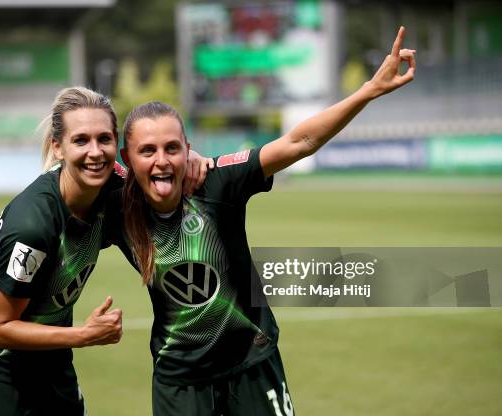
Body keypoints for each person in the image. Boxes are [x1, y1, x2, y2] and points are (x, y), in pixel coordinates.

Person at [110, 26, 416, 415]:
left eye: (172, 148)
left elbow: (298, 143)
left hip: (251, 367)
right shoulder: (117, 209)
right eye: (147, 150)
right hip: (180, 383)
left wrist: (369, 89)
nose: (161, 160)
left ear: (187, 149)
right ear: (127, 157)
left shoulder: (218, 182)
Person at [0, 86, 211, 416]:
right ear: (57, 147)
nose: (95, 152)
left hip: (52, 361)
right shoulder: (34, 224)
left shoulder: (111, 188)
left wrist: (191, 157)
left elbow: (156, 167)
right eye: (81, 140)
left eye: (104, 139)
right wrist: (84, 335)